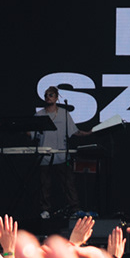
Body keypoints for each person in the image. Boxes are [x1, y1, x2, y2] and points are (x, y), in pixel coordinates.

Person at [34, 86, 85, 220]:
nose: (48, 97)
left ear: (57, 97)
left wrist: (90, 133)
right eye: (46, 95)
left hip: (61, 155)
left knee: (68, 184)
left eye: (51, 95)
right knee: (44, 185)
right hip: (44, 156)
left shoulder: (64, 114)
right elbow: (32, 133)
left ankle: (75, 209)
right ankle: (45, 210)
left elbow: (75, 131)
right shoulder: (39, 115)